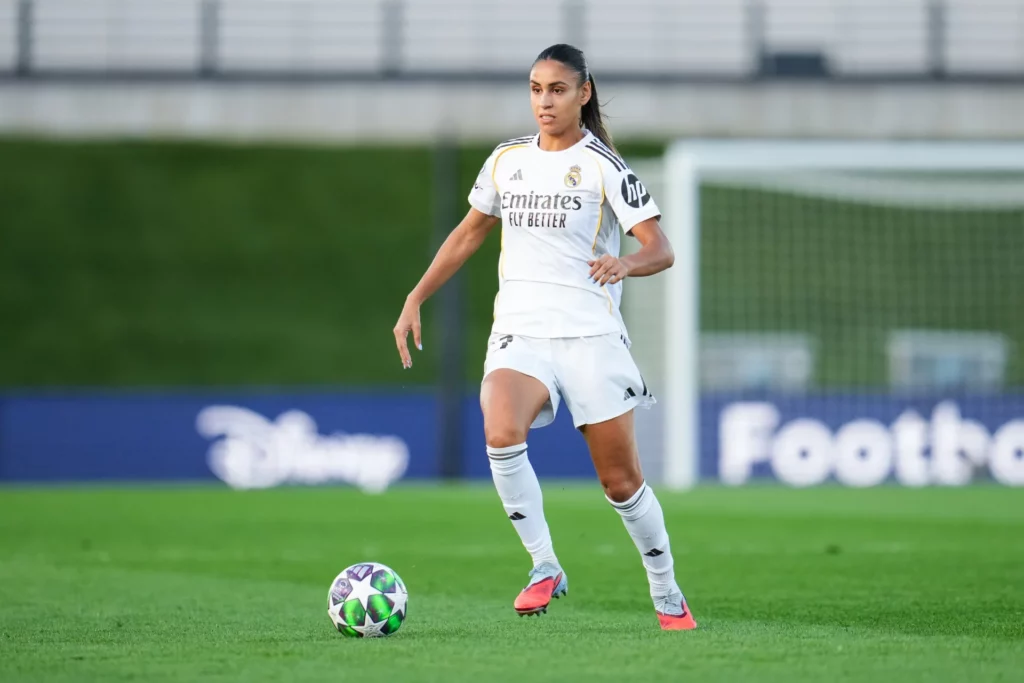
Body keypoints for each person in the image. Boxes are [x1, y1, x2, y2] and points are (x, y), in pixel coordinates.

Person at [393, 43, 696, 631]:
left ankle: (665, 589)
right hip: (520, 330)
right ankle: (544, 564)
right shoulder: (508, 160)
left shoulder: (605, 165)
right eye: (535, 89)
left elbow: (660, 248)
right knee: (500, 430)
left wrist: (625, 264)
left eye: (556, 89)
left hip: (590, 336)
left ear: (583, 93)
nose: (544, 101)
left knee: (620, 481)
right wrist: (415, 296)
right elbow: (468, 234)